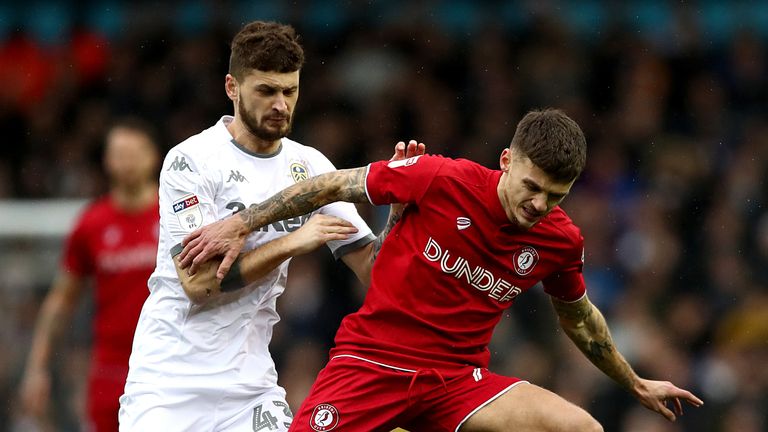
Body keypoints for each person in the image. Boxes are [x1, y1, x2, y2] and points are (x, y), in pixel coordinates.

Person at [179, 108, 704, 431]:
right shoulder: (437, 178)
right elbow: (335, 186)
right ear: (506, 160)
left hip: (458, 383)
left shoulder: (561, 240)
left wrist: (634, 383)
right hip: (372, 364)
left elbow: (580, 318)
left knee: (580, 429)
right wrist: (244, 222)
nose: (539, 204)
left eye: (555, 195)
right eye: (532, 186)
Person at [118, 21, 423, 431]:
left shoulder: (311, 166)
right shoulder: (190, 160)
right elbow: (200, 283)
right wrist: (292, 242)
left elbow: (374, 271)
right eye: (266, 91)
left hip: (250, 389)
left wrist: (398, 217)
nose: (280, 104)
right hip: (169, 383)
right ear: (232, 87)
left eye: (289, 91)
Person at [19, 117, 161, 432]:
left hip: (166, 361)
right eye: (119, 154)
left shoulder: (175, 217)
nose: (126, 163)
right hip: (109, 368)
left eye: (134, 153)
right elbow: (61, 300)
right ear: (107, 160)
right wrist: (37, 368)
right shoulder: (92, 224)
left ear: (153, 157)